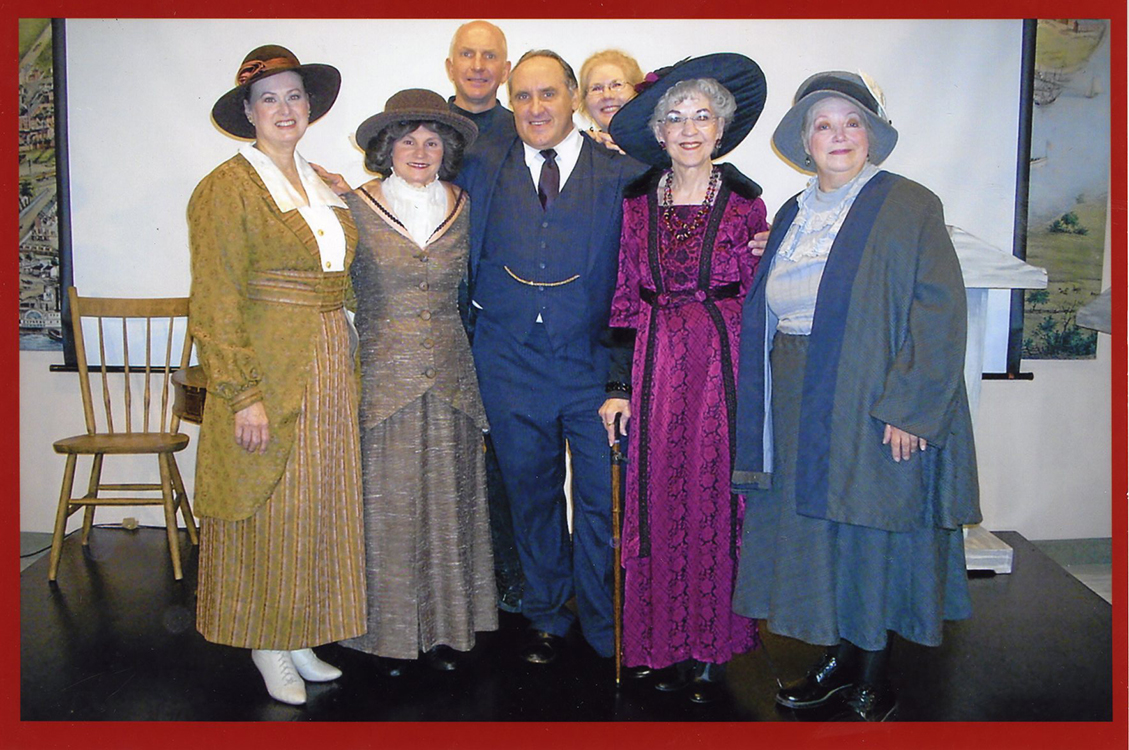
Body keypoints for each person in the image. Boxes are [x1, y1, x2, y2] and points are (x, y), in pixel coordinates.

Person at [730, 71, 981, 721]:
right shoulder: (791, 212)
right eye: (822, 123)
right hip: (795, 388)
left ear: (869, 134)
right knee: (822, 532)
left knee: (873, 528)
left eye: (850, 122)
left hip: (873, 389)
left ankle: (873, 667)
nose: (837, 135)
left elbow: (939, 310)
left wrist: (910, 406)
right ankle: (839, 655)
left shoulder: (909, 205)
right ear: (804, 140)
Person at [456, 50, 648, 665]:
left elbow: (642, 270)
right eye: (523, 98)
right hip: (508, 363)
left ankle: (601, 619)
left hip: (591, 369)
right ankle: (545, 613)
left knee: (597, 499)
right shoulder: (482, 165)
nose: (535, 109)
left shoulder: (623, 173)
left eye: (547, 95)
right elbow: (418, 192)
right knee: (531, 494)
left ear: (573, 97)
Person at [188, 45, 366, 706]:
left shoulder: (322, 185)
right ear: (247, 112)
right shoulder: (227, 187)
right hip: (268, 368)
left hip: (327, 362)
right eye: (269, 98)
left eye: (294, 96)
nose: (285, 108)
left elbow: (339, 280)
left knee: (314, 505)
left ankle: (297, 634)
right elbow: (215, 298)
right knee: (270, 505)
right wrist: (242, 393)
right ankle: (265, 641)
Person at [599, 54, 769, 705]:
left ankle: (709, 648)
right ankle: (658, 642)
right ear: (660, 131)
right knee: (656, 500)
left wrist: (770, 250)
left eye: (702, 115)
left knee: (712, 499)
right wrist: (617, 386)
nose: (689, 128)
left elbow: (762, 299)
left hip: (721, 369)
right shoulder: (637, 202)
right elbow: (621, 293)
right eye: (675, 117)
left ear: (720, 128)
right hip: (655, 362)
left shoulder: (749, 204)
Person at [336, 89, 497, 674]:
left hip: (453, 372)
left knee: (451, 500)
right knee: (389, 507)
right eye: (407, 140)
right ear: (386, 148)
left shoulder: (466, 204)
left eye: (432, 141)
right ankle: (387, 639)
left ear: (447, 149)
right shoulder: (352, 207)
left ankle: (448, 632)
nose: (420, 151)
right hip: (383, 376)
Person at [445, 19, 524, 614]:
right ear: (451, 64)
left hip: (500, 321)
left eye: (489, 55)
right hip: (435, 319)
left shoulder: (523, 128)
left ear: (504, 66)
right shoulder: (425, 127)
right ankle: (448, 581)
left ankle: (508, 580)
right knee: (442, 456)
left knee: (504, 459)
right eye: (467, 54)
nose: (477, 65)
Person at [578, 49, 644, 151]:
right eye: (596, 88)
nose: (607, 95)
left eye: (616, 85)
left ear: (637, 92)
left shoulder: (662, 147)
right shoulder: (580, 152)